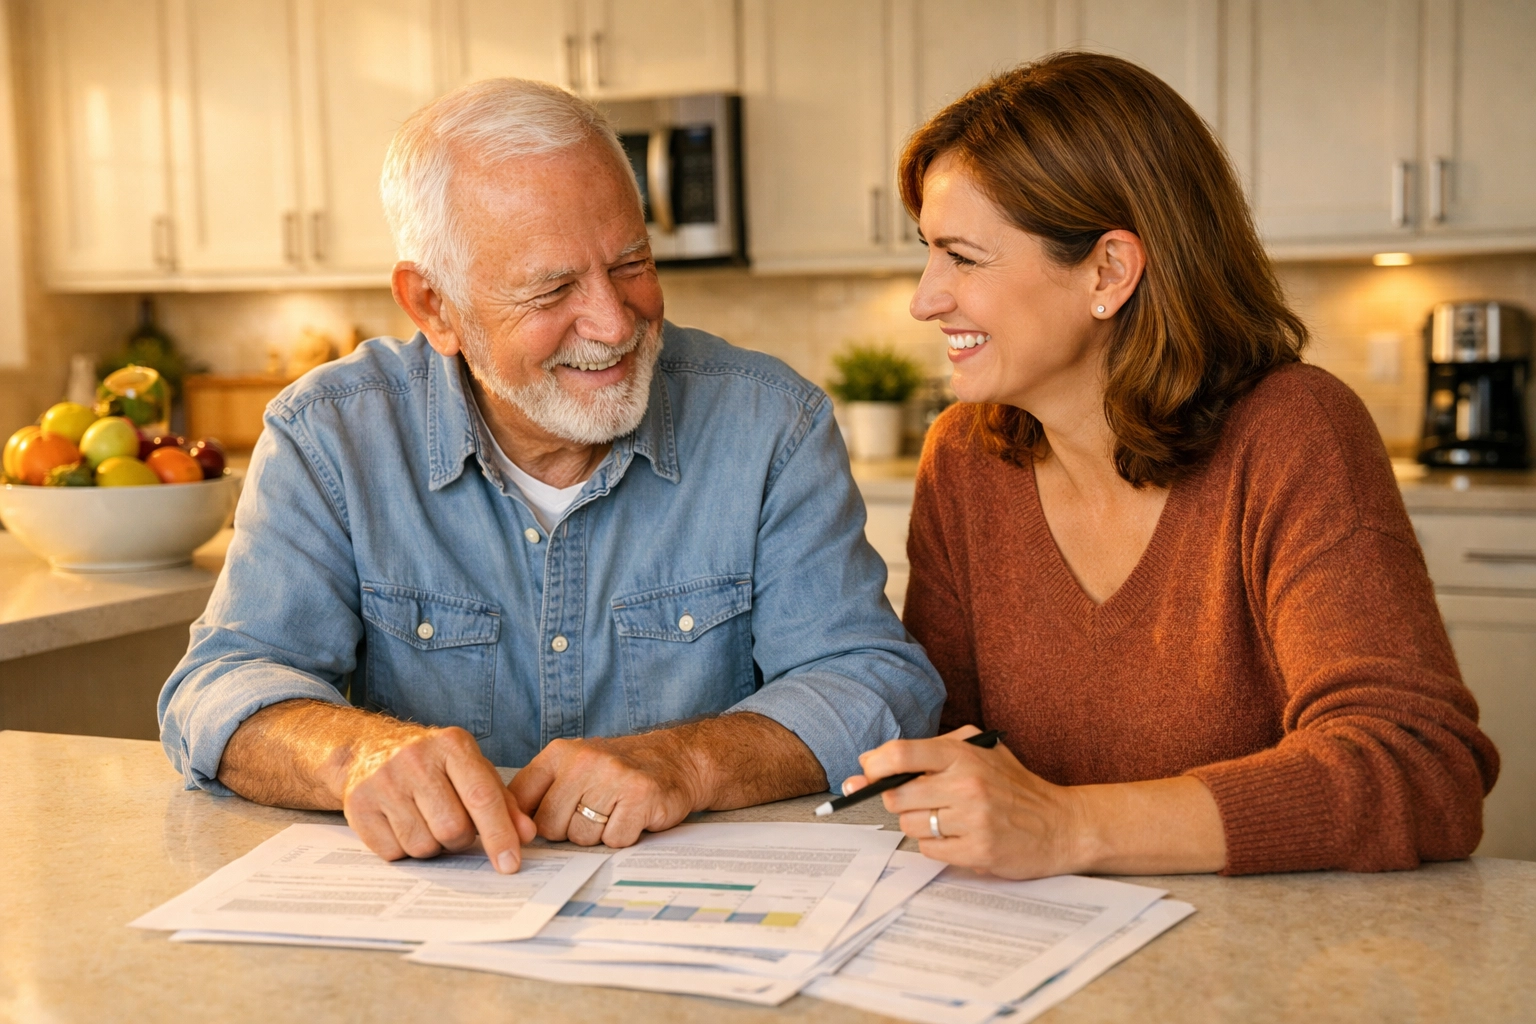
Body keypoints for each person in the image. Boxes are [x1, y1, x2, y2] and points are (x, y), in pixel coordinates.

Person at [159, 78, 943, 874]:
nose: (613, 322)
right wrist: (355, 754)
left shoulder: (772, 423)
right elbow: (218, 688)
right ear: (434, 307)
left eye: (632, 264)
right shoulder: (330, 436)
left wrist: (688, 761)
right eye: (552, 289)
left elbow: (873, 682)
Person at [842, 52, 1499, 877]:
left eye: (963, 257)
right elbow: (959, 741)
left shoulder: (1295, 432)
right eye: (928, 253)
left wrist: (1070, 826)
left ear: (1109, 270)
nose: (924, 298)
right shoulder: (966, 457)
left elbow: (1421, 769)